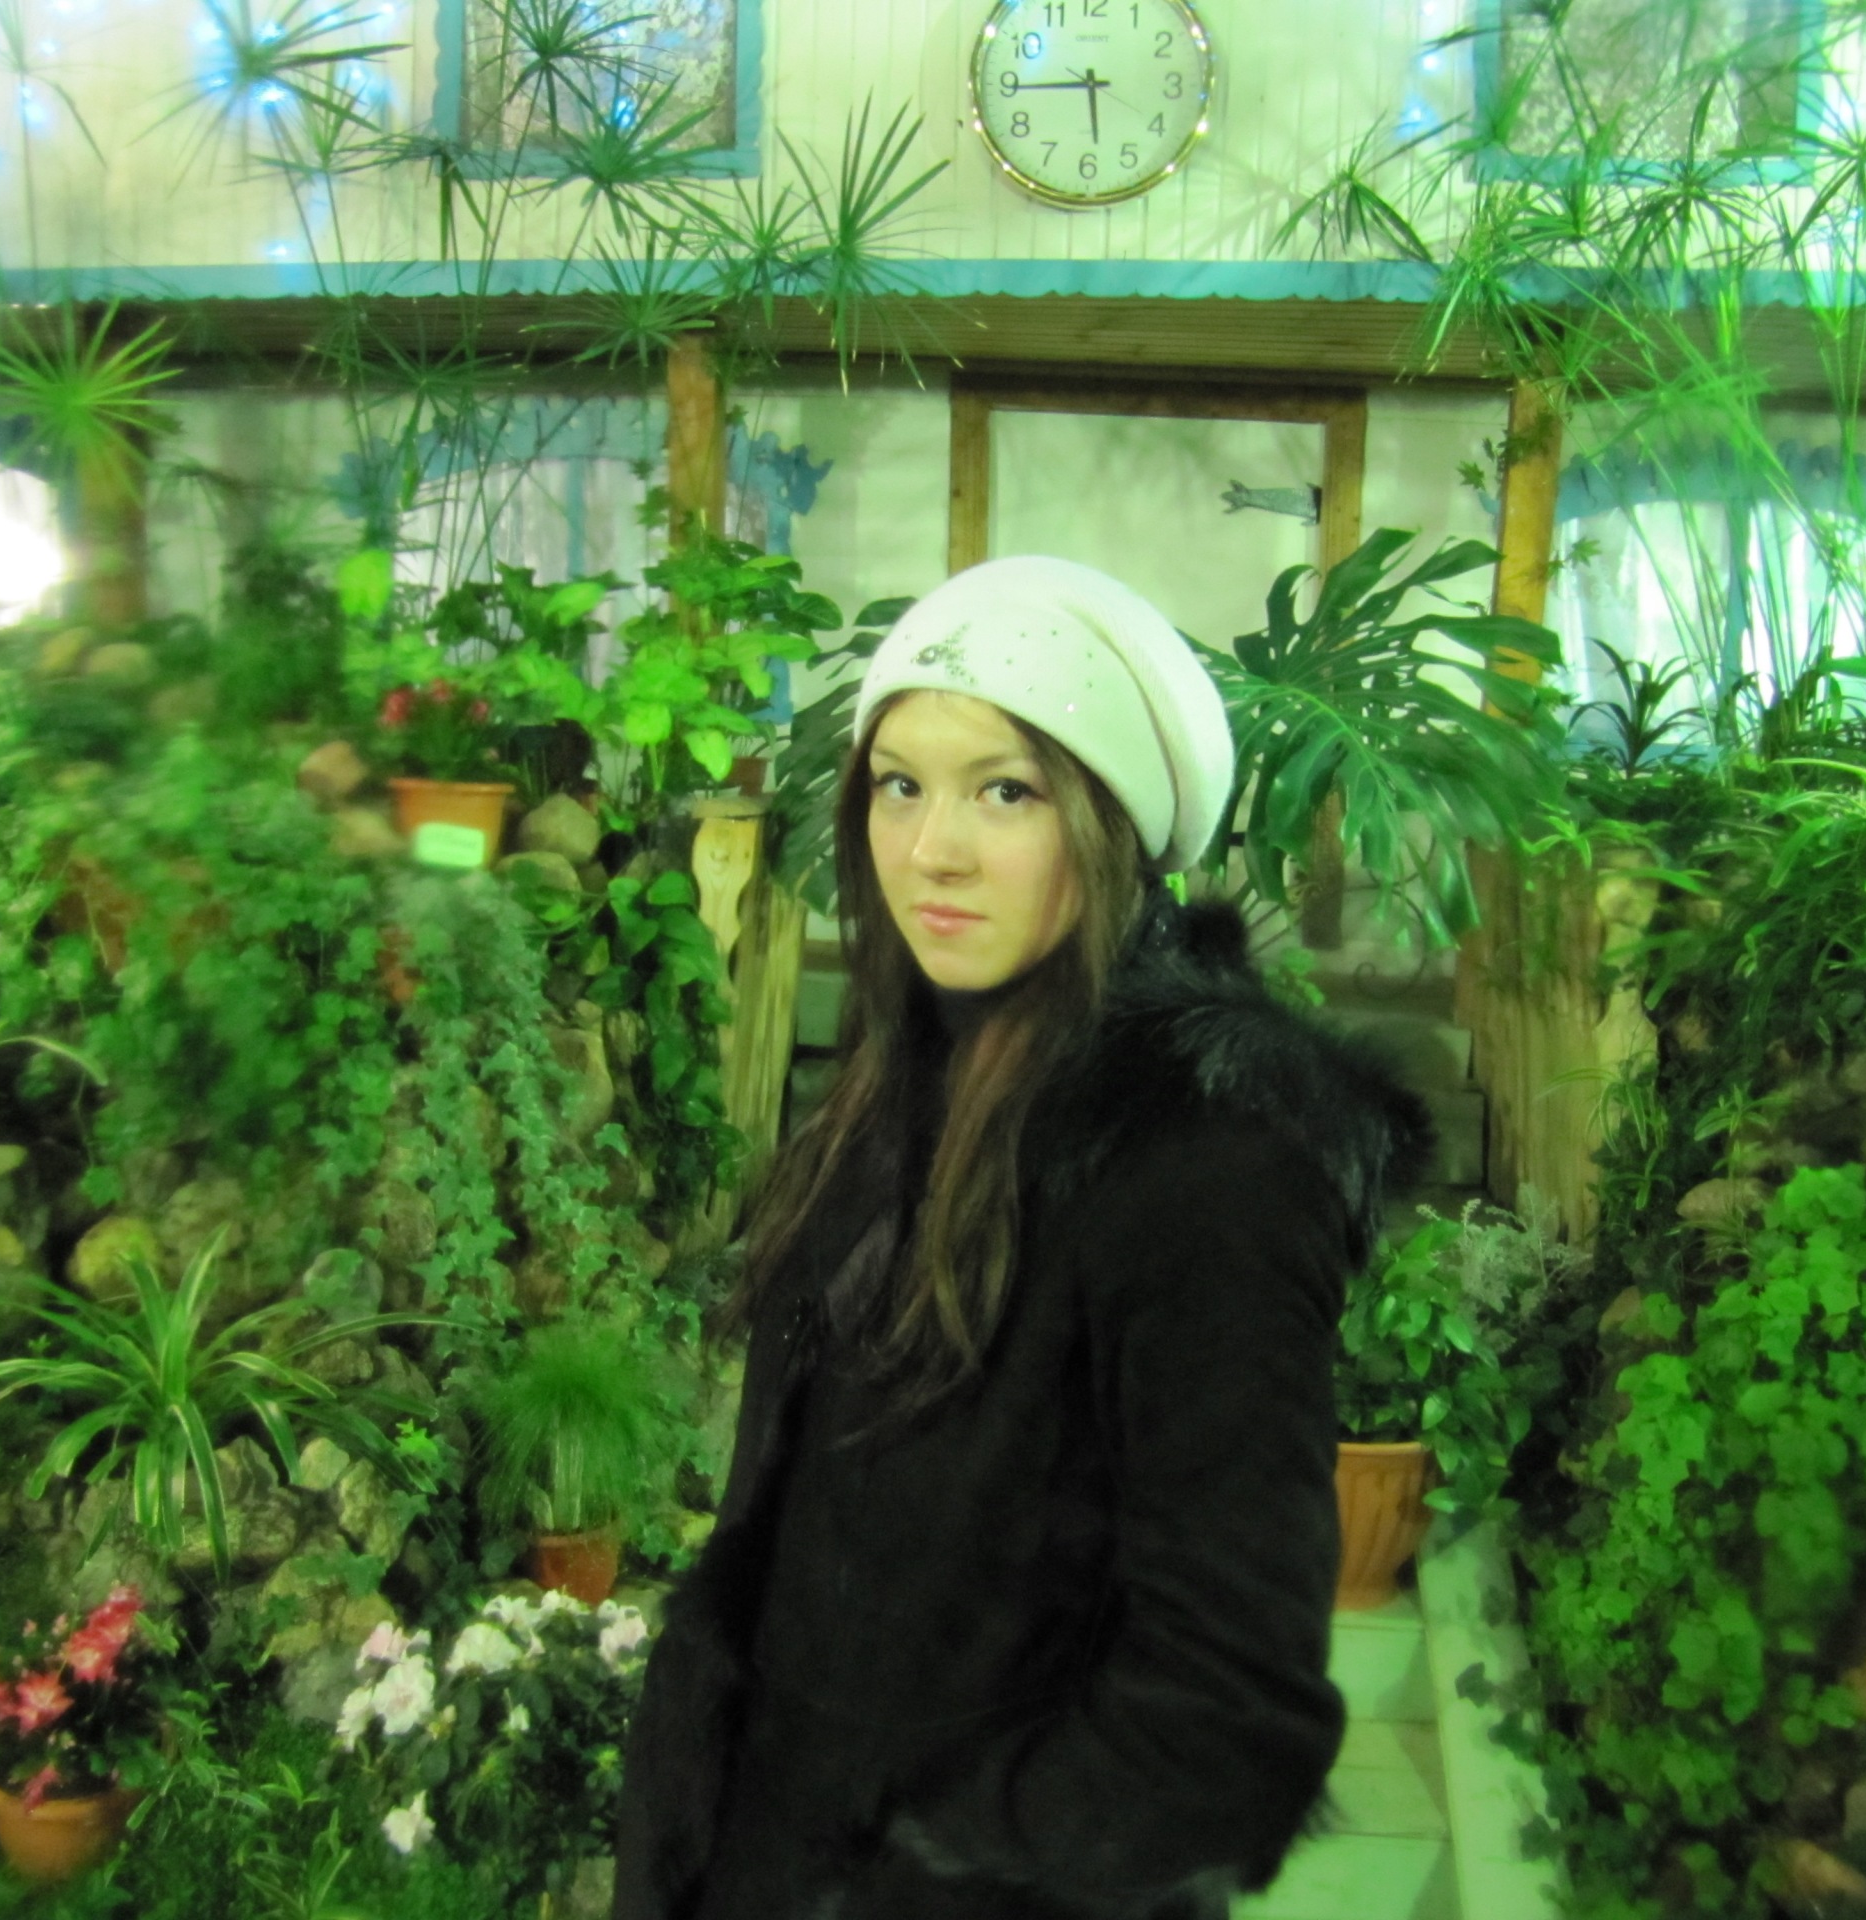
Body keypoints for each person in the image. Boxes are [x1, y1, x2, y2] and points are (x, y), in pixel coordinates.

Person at [613, 556, 1434, 1920]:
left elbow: (1223, 1711)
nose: (932, 849)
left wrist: (922, 1880)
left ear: (1111, 824)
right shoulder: (909, 1075)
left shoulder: (1208, 1161)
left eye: (1006, 791)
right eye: (900, 786)